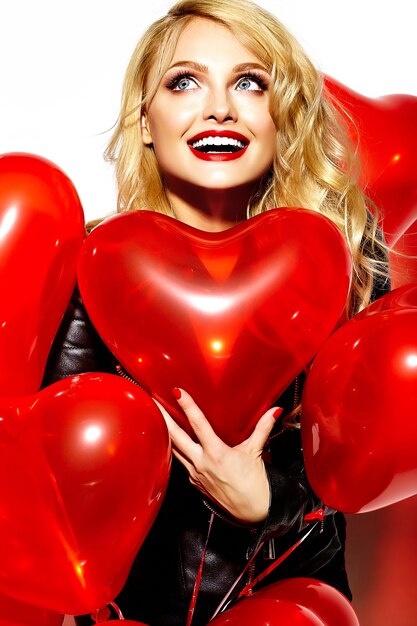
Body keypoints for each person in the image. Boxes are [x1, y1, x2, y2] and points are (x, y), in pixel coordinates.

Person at [43, 0, 390, 624]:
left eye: (249, 83)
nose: (219, 108)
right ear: (145, 120)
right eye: (184, 81)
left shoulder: (350, 263)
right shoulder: (90, 269)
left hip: (298, 607)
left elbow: (376, 465)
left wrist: (268, 500)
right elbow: (59, 481)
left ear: (281, 117)